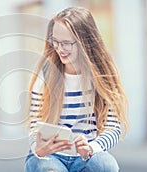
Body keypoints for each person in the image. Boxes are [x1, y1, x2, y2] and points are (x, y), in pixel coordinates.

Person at [24, 7, 128, 172]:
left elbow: (113, 127)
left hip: (87, 154)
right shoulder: (45, 76)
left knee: (105, 165)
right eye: (55, 41)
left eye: (66, 43)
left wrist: (91, 148)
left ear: (85, 42)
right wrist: (38, 148)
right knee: (47, 167)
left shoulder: (103, 76)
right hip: (51, 155)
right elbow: (35, 125)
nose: (59, 48)